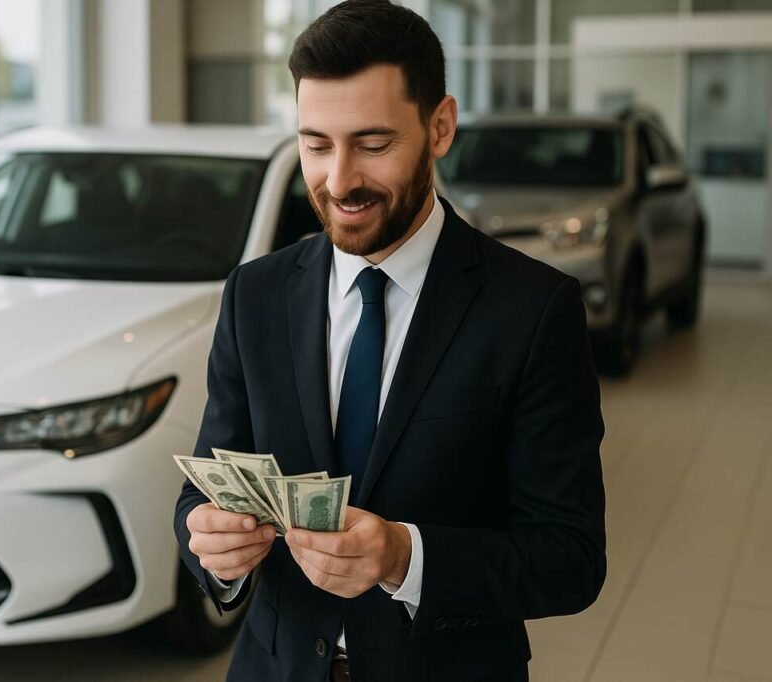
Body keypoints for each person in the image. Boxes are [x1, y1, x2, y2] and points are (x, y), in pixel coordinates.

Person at [173, 1, 606, 680]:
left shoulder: (534, 309)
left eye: (372, 144)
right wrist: (211, 546)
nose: (339, 180)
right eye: (316, 144)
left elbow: (570, 558)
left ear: (440, 126)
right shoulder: (254, 295)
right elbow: (203, 494)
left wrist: (406, 557)